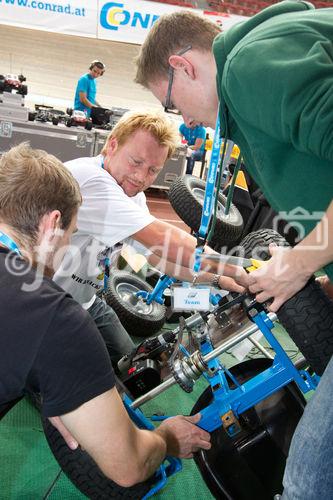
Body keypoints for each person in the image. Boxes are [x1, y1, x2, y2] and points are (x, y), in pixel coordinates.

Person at [134, 2, 333, 498]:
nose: (187, 119)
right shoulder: (267, 55)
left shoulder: (248, 68)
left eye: (173, 104)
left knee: (308, 480)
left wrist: (303, 261)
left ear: (184, 66)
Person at [0, 142, 211, 490]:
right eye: (72, 233)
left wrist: (50, 377)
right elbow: (128, 466)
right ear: (53, 224)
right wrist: (167, 439)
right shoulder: (53, 316)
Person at [54, 111, 249, 364]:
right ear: (112, 145)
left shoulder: (134, 196)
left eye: (152, 170)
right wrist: (240, 270)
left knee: (131, 363)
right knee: (68, 380)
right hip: (45, 301)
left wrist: (220, 279)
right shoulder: (90, 179)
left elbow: (158, 259)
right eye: (135, 162)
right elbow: (163, 239)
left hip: (85, 301)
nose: (141, 177)